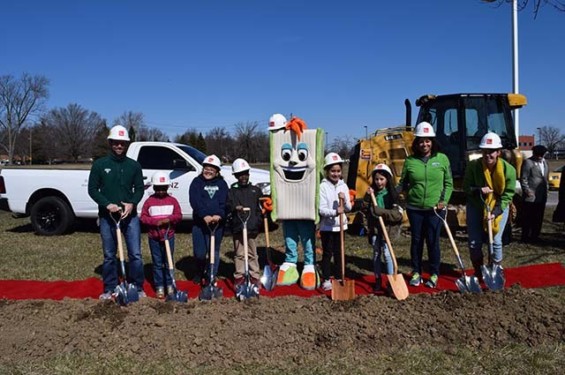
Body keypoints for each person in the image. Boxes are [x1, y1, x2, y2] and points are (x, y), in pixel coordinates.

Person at [88, 125, 145, 300]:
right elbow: (93, 189)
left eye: (122, 143)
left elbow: (140, 188)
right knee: (109, 255)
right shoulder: (100, 165)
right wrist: (107, 205)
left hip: (130, 217)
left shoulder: (133, 166)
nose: (119, 146)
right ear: (110, 143)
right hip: (108, 217)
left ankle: (137, 286)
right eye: (116, 143)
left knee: (135, 254)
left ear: (126, 144)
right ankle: (110, 288)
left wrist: (132, 203)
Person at [398, 121, 453, 288]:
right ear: (416, 143)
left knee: (432, 241)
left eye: (427, 140)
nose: (424, 144)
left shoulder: (442, 159)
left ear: (432, 141)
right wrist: (389, 191)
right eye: (421, 140)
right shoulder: (410, 161)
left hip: (435, 209)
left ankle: (434, 273)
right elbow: (403, 183)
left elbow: (448, 183)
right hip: (415, 209)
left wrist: (444, 201)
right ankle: (416, 271)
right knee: (416, 241)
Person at [463, 132, 516, 279]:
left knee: (496, 241)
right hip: (476, 205)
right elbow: (466, 187)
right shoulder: (473, 166)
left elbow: (508, 194)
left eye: (491, 151)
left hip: (499, 206)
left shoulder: (508, 170)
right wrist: (478, 189)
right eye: (485, 151)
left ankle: (495, 270)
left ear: (498, 152)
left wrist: (496, 212)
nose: (488, 155)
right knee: (474, 242)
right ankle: (479, 271)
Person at [140, 172, 182, 299]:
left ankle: (169, 284)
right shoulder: (149, 201)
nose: (161, 191)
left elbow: (178, 215)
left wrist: (169, 220)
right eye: (158, 188)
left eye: (163, 188)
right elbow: (143, 217)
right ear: (153, 187)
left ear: (168, 187)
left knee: (168, 260)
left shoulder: (172, 201)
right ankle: (159, 285)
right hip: (154, 236)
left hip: (168, 236)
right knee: (157, 262)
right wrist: (155, 222)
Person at [189, 154, 228, 287]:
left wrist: (219, 215)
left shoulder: (222, 184)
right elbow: (195, 200)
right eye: (206, 168)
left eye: (212, 169)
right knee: (200, 253)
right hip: (200, 224)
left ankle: (211, 275)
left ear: (217, 171)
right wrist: (204, 215)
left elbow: (224, 202)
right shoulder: (196, 182)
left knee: (214, 251)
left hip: (217, 224)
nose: (209, 171)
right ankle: (199, 272)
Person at [363, 163, 403, 293]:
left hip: (387, 229)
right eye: (376, 179)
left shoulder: (393, 195)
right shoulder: (372, 194)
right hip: (375, 229)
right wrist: (368, 196)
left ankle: (392, 280)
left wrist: (383, 212)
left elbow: (397, 215)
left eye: (382, 179)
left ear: (387, 179)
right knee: (376, 254)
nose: (379, 182)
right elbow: (364, 209)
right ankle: (378, 280)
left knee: (387, 254)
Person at [226, 158, 263, 296]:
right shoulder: (232, 191)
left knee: (253, 253)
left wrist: (258, 221)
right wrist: (236, 208)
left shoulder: (255, 190)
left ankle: (254, 276)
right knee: (239, 253)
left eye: (245, 173)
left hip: (251, 227)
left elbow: (260, 209)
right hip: (238, 226)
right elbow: (228, 206)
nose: (243, 177)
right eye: (240, 174)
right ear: (236, 176)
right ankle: (240, 276)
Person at [318, 152, 352, 291]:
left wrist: (345, 202)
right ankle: (326, 278)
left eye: (338, 171)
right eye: (333, 171)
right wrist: (334, 212)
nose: (336, 174)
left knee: (340, 253)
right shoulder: (323, 187)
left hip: (341, 226)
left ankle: (339, 276)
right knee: (327, 253)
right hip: (328, 227)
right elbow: (321, 209)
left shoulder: (343, 186)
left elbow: (349, 207)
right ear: (327, 171)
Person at [520, 145, 549, 243]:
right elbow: (523, 178)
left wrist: (547, 189)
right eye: (538, 155)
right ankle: (525, 237)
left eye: (541, 155)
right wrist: (527, 190)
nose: (540, 157)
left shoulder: (545, 163)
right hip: (530, 196)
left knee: (538, 217)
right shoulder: (528, 162)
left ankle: (535, 235)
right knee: (528, 217)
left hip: (542, 195)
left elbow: (545, 178)